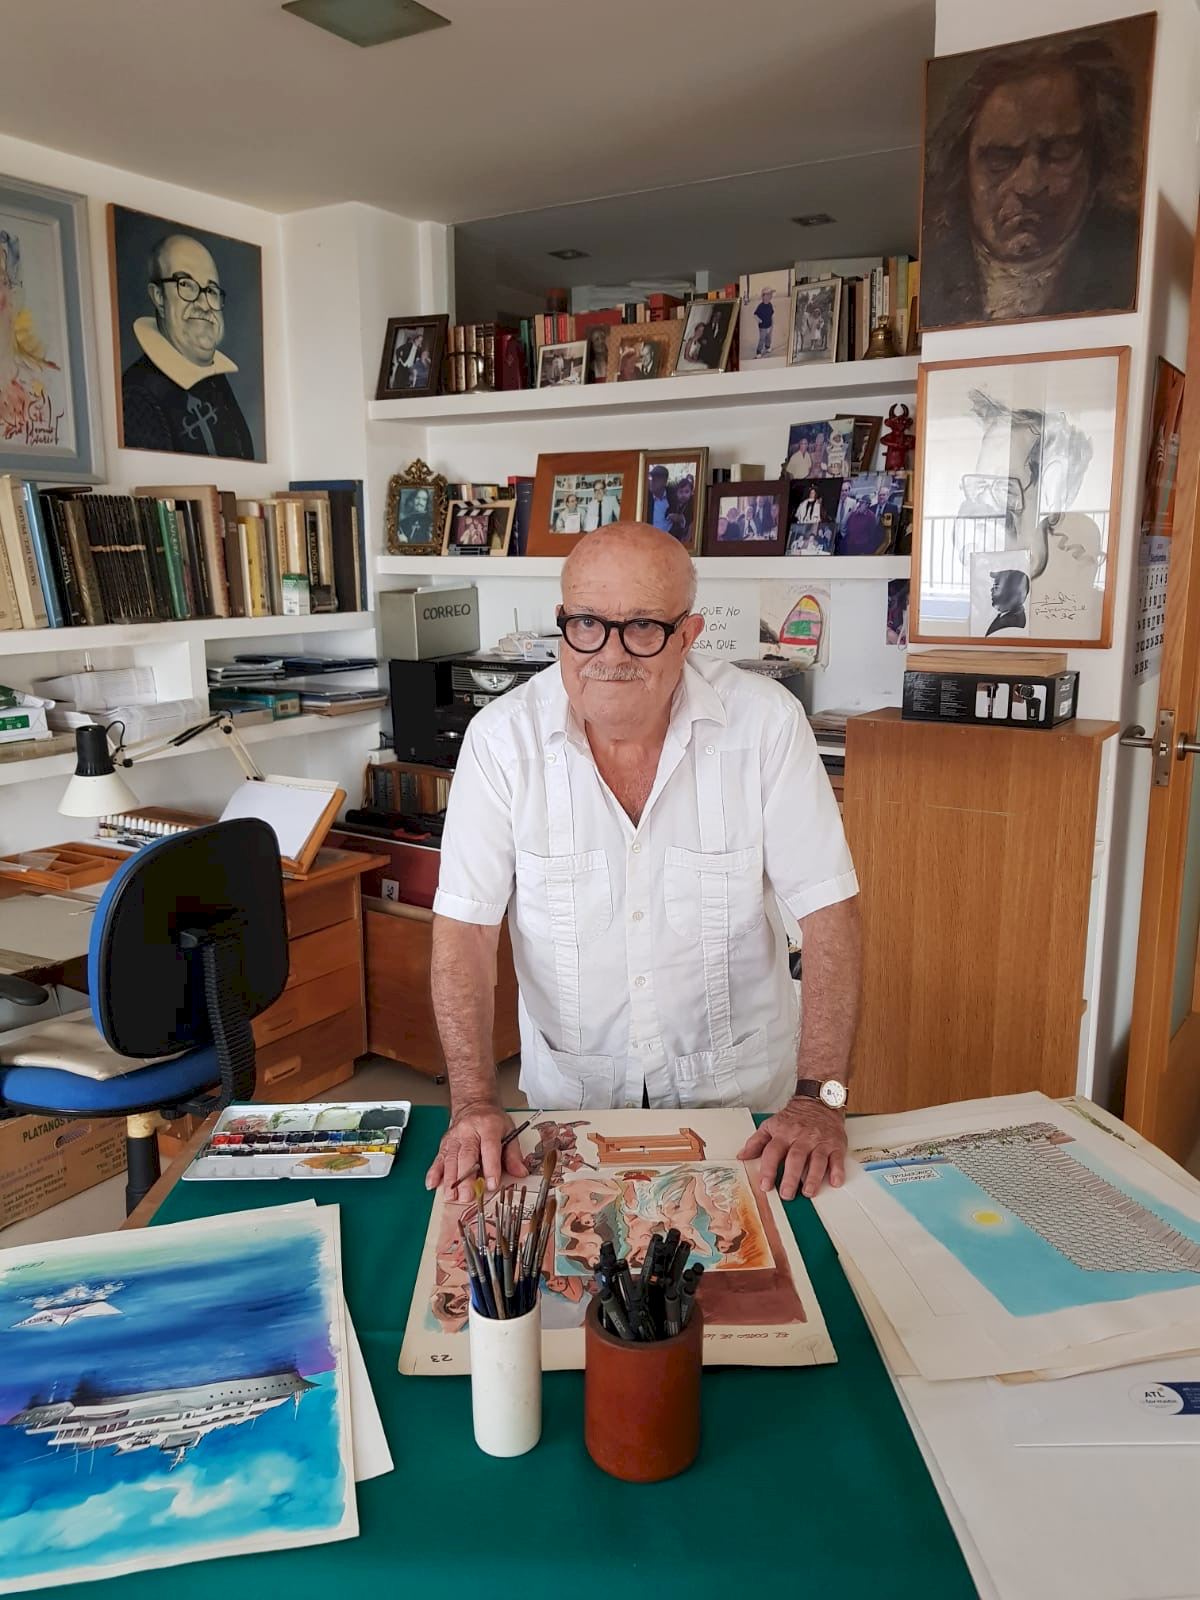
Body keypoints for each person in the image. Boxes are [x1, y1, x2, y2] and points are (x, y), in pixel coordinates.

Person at [424, 522, 861, 1204]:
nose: (610, 654)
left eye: (642, 628)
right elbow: (465, 934)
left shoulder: (766, 725)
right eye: (586, 624)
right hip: (571, 1108)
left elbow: (830, 917)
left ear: (688, 635)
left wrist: (819, 1098)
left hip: (746, 1110)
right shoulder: (500, 742)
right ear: (561, 623)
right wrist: (473, 1101)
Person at [921, 32, 1143, 326]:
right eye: (1000, 159)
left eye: (1059, 153)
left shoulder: (1132, 260)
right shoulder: (932, 274)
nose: (1028, 185)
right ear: (961, 168)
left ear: (1098, 157)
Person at [120, 233, 255, 458]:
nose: (203, 304)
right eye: (186, 285)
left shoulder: (214, 380)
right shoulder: (137, 396)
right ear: (159, 297)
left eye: (211, 290)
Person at [986, 568, 1030, 635]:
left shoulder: (1011, 622)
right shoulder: (1008, 615)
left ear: (1011, 593)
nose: (991, 590)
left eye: (996, 587)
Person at [645, 464, 673, 532]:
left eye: (657, 478)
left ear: (665, 481)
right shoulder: (646, 499)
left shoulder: (673, 497)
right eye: (652, 477)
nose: (653, 481)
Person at [752, 287, 775, 357]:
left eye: (771, 294)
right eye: (769, 294)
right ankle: (759, 351)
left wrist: (771, 322)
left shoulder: (770, 304)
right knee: (762, 339)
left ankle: (767, 347)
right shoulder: (760, 306)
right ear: (764, 296)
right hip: (763, 327)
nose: (771, 296)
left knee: (768, 337)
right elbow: (755, 314)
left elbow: (771, 313)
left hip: (769, 325)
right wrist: (759, 320)